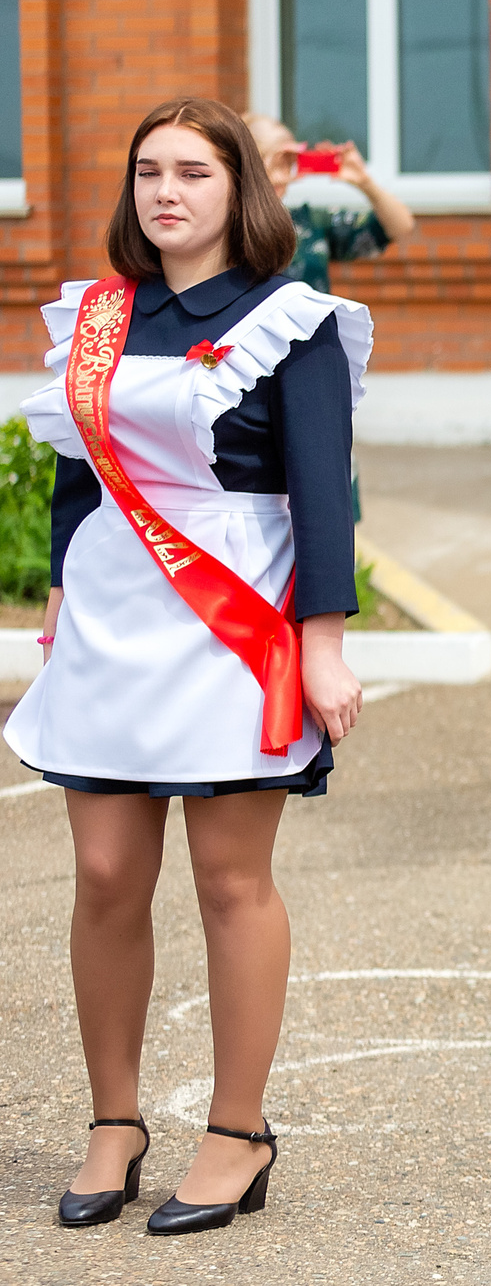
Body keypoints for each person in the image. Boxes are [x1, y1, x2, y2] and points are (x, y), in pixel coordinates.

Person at [5, 97, 370, 1235]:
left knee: (229, 883)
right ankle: (114, 1121)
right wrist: (62, 618)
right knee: (108, 875)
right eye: (149, 171)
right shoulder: (99, 316)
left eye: (195, 173)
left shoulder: (293, 318)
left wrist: (324, 646)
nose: (168, 192)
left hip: (236, 621)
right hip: (115, 617)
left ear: (239, 191)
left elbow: (325, 492)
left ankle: (236, 1130)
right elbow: (84, 478)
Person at [244, 114, 418, 294]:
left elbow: (401, 226)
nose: (280, 174)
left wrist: (365, 182)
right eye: (264, 161)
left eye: (287, 163)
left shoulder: (308, 222)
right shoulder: (226, 227)